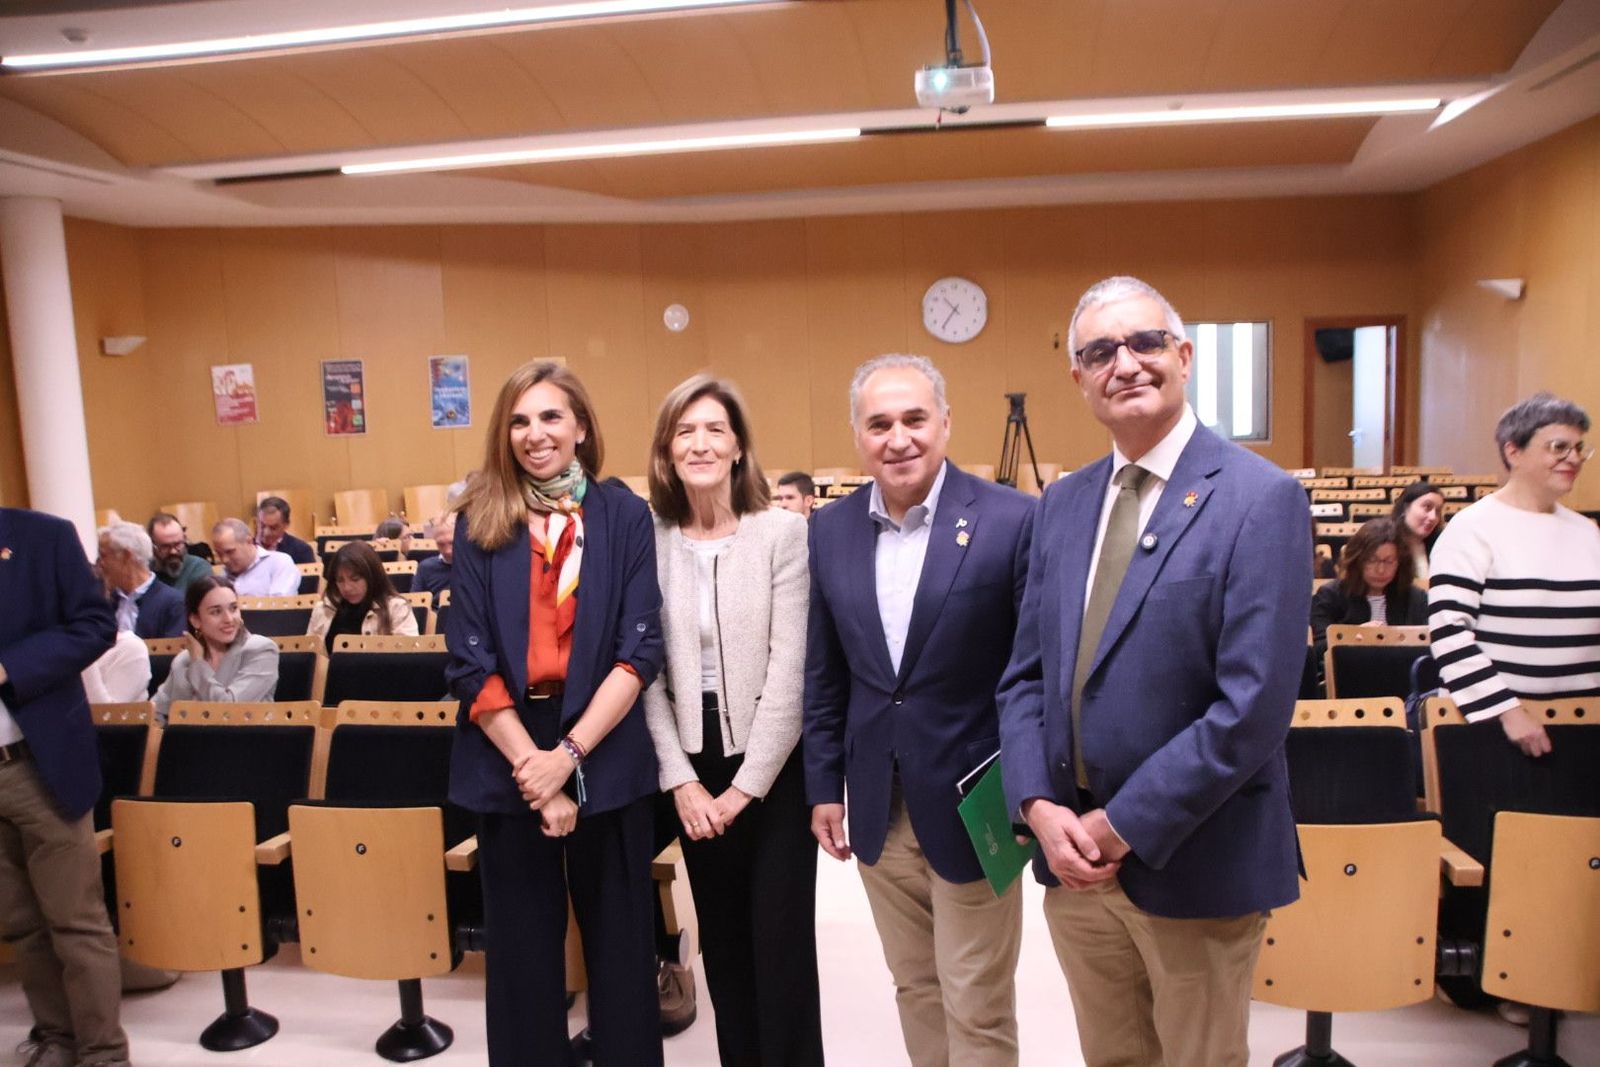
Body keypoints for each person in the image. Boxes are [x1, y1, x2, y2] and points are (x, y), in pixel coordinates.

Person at [997, 276, 1309, 1067]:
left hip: (1195, 856)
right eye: (1100, 351)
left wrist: (1121, 823)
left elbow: (1253, 709)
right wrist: (1037, 804)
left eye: (1143, 343)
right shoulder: (1060, 504)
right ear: (1079, 378)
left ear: (1184, 355)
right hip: (1073, 861)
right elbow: (1025, 677)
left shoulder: (1259, 498)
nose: (1124, 363)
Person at [804, 354, 1034, 1067]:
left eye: (913, 419)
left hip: (977, 803)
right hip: (876, 802)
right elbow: (826, 671)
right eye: (879, 423)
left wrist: (1030, 790)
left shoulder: (1011, 519)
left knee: (977, 996)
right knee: (916, 985)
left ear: (945, 421)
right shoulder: (830, 529)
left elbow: (1031, 674)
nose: (897, 438)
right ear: (857, 434)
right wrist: (822, 786)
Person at [445, 361, 665, 1067]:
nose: (534, 434)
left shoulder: (624, 515)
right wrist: (534, 767)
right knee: (521, 960)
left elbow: (639, 649)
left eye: (549, 417)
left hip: (603, 742)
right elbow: (469, 661)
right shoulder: (479, 519)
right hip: (507, 748)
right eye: (518, 420)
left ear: (580, 427)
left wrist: (566, 758)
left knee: (624, 950)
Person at [643, 375, 820, 1067]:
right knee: (723, 946)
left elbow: (790, 669)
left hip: (773, 770)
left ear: (739, 445)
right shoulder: (650, 542)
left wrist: (744, 789)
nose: (701, 442)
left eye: (715, 428)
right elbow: (643, 673)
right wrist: (682, 781)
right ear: (666, 449)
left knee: (780, 949)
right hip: (692, 765)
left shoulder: (782, 534)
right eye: (685, 430)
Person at [0, 506, 129, 1067]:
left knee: (75, 921)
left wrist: (8, 667)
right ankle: (57, 1037)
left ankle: (103, 1053)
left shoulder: (41, 536)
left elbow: (95, 625)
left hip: (37, 762)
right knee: (20, 925)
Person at [1429, 393, 1600, 757]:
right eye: (1559, 447)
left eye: (1579, 448)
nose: (1572, 458)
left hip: (1582, 729)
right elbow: (1449, 632)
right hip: (1493, 731)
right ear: (1513, 452)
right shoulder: (1471, 528)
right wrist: (1508, 712)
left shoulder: (1587, 532)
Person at [152, 576, 280, 724]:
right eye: (216, 612)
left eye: (233, 608)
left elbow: (228, 712)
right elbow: (156, 712)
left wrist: (199, 666)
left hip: (243, 743)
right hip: (186, 744)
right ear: (195, 620)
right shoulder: (184, 660)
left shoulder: (261, 650)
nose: (229, 619)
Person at [1309, 516, 1428, 658]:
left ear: (1400, 562)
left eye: (1389, 561)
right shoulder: (1330, 595)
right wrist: (1353, 637)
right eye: (1372, 560)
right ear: (1357, 559)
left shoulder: (1416, 597)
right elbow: (1317, 650)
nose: (1381, 570)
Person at [307, 540, 418, 653]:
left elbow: (409, 659)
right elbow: (310, 657)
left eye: (355, 579)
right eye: (340, 580)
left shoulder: (397, 608)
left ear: (372, 577)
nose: (347, 588)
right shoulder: (322, 609)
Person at [97, 521, 185, 638]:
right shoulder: (104, 602)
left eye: (103, 556)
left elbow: (173, 654)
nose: (100, 564)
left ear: (126, 556)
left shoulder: (174, 604)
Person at [211, 517, 300, 597]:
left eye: (230, 552)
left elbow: (280, 607)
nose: (224, 560)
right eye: (219, 554)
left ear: (249, 541)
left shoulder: (280, 563)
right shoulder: (222, 575)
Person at [1390, 480, 1446, 584]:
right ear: (1405, 508)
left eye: (1438, 511)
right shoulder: (1386, 543)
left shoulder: (1441, 545)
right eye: (1427, 507)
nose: (1433, 517)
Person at [147, 512, 212, 594]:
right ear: (153, 546)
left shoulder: (198, 567)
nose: (173, 551)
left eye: (178, 544)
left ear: (184, 539)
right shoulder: (146, 570)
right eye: (165, 547)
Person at [255, 496, 315, 565]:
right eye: (262, 526)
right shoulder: (245, 548)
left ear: (286, 525)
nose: (266, 533)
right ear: (256, 522)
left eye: (273, 528)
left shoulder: (301, 551)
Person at [414, 512, 455, 606]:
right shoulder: (425, 567)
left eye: (452, 543)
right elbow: (416, 606)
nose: (447, 551)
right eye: (441, 544)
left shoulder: (474, 566)